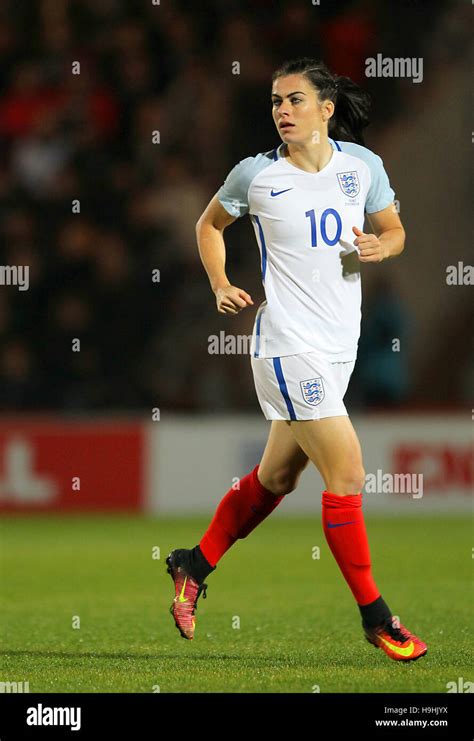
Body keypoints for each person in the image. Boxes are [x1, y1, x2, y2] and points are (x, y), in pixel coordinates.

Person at [166, 58, 427, 662]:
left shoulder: (362, 167)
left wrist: (380, 246)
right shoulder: (257, 176)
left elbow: (395, 230)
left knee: (277, 479)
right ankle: (377, 617)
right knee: (349, 474)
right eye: (277, 102)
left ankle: (193, 564)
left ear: (326, 109)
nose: (282, 111)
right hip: (286, 346)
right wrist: (219, 281)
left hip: (338, 350)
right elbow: (209, 225)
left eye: (295, 100)